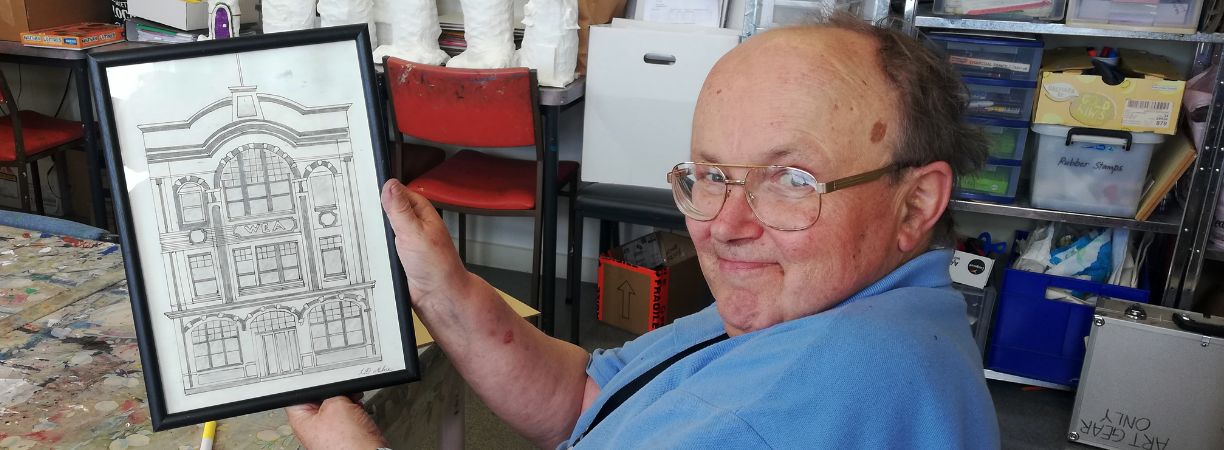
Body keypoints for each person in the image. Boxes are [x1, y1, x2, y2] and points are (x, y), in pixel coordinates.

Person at [287, 14, 999, 449]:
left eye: (792, 180)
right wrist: (444, 288)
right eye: (710, 175)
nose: (724, 226)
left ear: (915, 203)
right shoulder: (829, 305)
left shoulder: (820, 397)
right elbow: (593, 399)